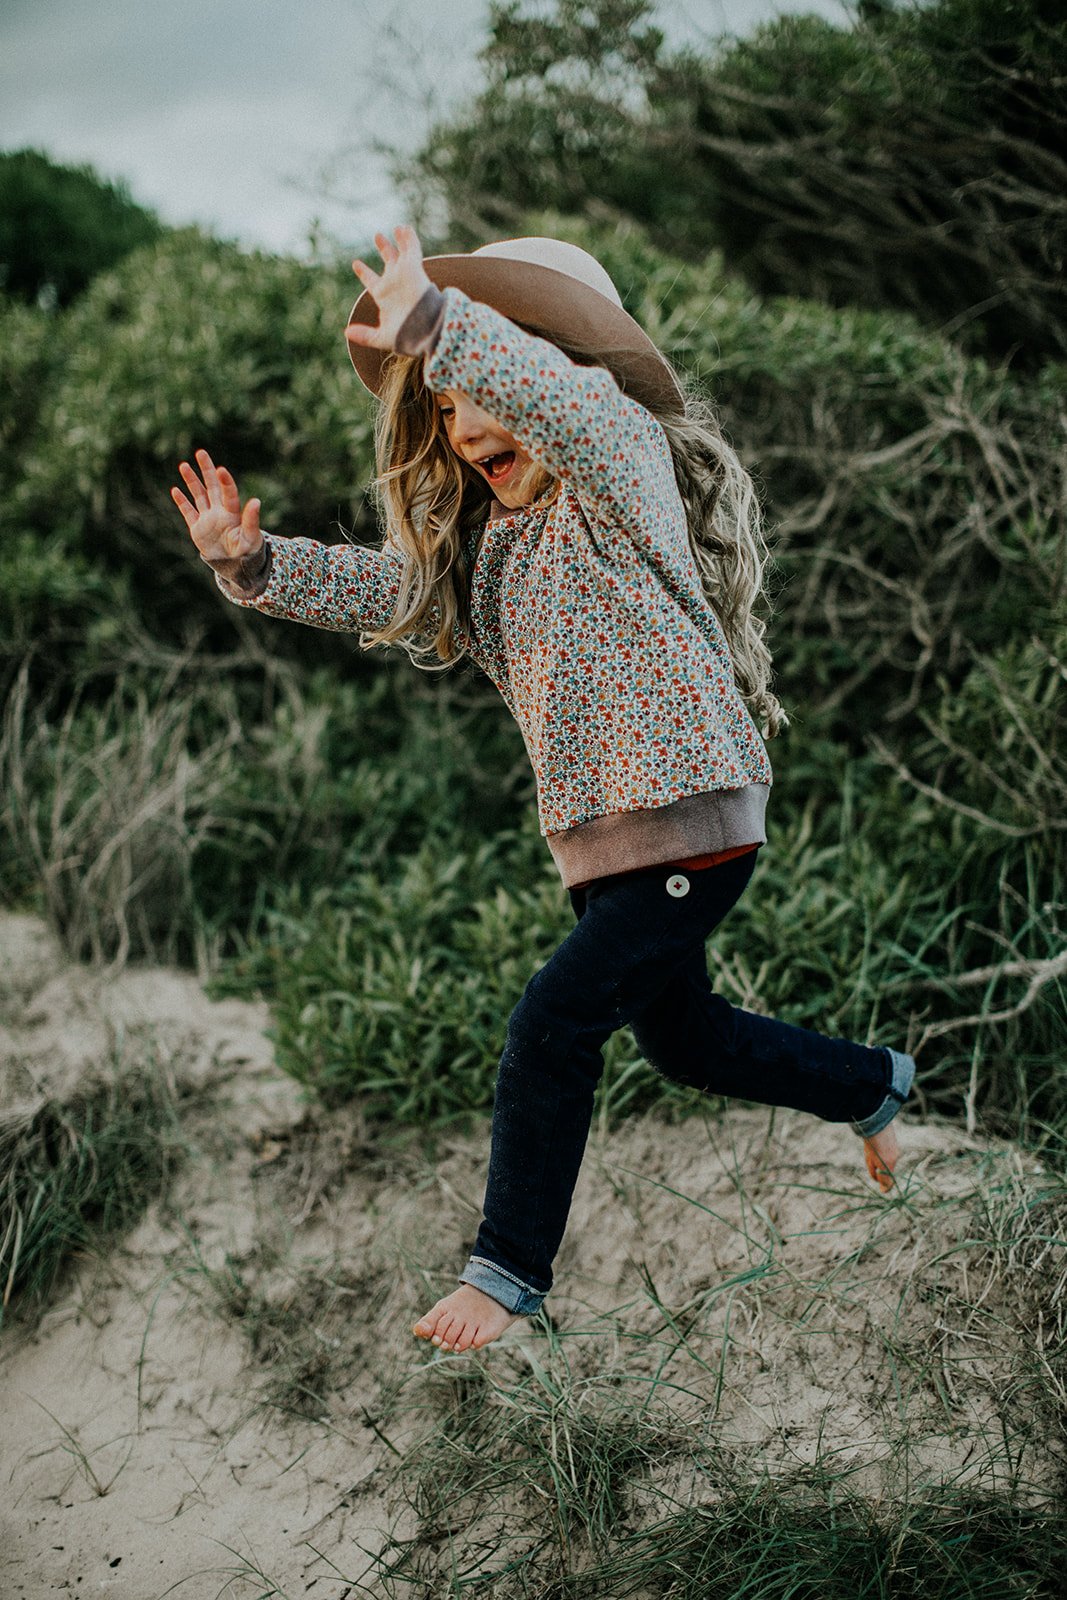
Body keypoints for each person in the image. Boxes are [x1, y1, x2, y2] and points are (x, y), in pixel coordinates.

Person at [171, 224, 915, 1356]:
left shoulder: (618, 475)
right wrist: (254, 566)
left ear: (561, 377)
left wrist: (438, 325)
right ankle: (872, 1084)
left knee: (550, 1027)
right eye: (441, 406)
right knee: (687, 1040)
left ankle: (509, 1268)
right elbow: (389, 590)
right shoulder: (489, 559)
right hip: (609, 844)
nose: (465, 425)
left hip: (687, 820)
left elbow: (565, 408)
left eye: (482, 389)